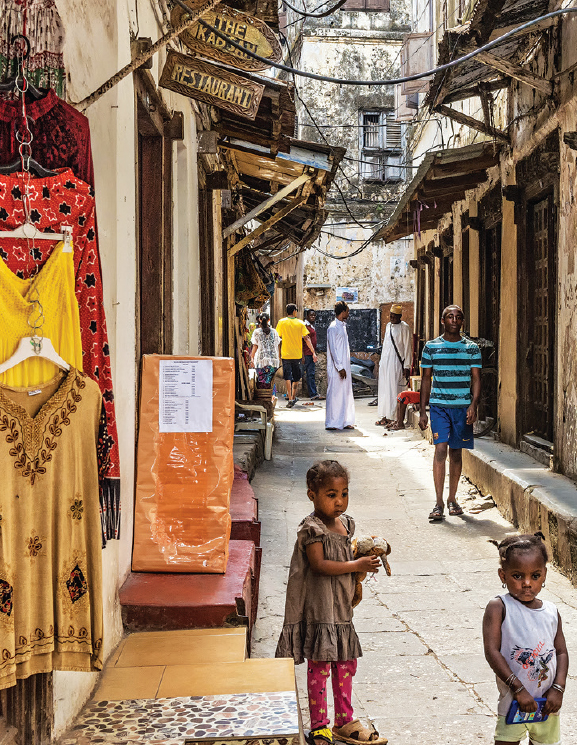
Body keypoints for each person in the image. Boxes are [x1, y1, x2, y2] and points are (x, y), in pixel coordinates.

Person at [275, 460, 386, 746]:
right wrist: (356, 564)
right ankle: (320, 725)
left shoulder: (346, 524)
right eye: (331, 494)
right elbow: (320, 565)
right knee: (320, 668)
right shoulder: (312, 529)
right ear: (312, 494)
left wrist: (372, 548)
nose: (339, 502)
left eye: (344, 493)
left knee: (346, 665)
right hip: (319, 610)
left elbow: (352, 548)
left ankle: (344, 721)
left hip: (341, 610)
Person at [482, 533, 568, 745]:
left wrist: (558, 688)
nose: (527, 583)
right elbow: (492, 652)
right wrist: (518, 690)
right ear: (503, 576)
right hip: (514, 702)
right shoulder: (499, 607)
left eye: (535, 575)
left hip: (547, 704)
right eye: (518, 576)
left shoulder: (551, 611)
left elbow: (561, 652)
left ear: (545, 575)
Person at [419, 305, 481, 521]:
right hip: (439, 407)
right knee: (440, 449)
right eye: (450, 317)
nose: (454, 320)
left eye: (458, 317)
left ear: (462, 321)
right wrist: (422, 410)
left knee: (456, 452)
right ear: (442, 320)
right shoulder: (431, 347)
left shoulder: (472, 348)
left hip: (462, 408)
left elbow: (476, 379)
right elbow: (426, 379)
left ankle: (452, 499)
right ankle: (438, 503)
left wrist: (473, 405)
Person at [376, 304, 412, 427]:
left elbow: (407, 347)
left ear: (400, 316)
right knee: (385, 389)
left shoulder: (404, 328)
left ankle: (395, 417)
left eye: (394, 316)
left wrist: (407, 366)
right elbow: (386, 345)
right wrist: (381, 363)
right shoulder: (388, 326)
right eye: (390, 316)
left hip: (397, 363)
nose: (392, 318)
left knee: (394, 389)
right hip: (385, 363)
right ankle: (385, 415)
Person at [276, 303, 317, 408]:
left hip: (285, 355)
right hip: (297, 355)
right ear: (294, 311)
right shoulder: (300, 323)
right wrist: (313, 352)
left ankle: (290, 398)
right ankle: (293, 397)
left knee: (287, 377)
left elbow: (277, 338)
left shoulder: (281, 322)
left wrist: (278, 353)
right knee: (296, 377)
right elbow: (307, 339)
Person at [325, 301, 355, 430]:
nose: (348, 313)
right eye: (347, 311)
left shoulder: (342, 326)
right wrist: (340, 367)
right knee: (335, 394)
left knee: (345, 393)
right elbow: (333, 349)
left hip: (344, 366)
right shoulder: (333, 328)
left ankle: (344, 420)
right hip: (337, 368)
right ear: (342, 312)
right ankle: (332, 422)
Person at [250, 312, 280, 389]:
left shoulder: (257, 332)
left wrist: (252, 358)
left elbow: (255, 346)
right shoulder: (274, 332)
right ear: (269, 320)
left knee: (261, 383)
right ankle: (271, 398)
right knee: (270, 382)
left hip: (261, 361)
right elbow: (277, 346)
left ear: (260, 320)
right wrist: (278, 358)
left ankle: (263, 399)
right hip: (273, 361)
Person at [302, 309, 322, 400]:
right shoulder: (305, 326)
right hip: (307, 354)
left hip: (310, 353)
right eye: (311, 315)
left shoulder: (311, 326)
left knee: (310, 374)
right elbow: (303, 340)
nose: (313, 317)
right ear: (307, 316)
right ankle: (313, 394)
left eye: (314, 315)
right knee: (309, 374)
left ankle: (313, 393)